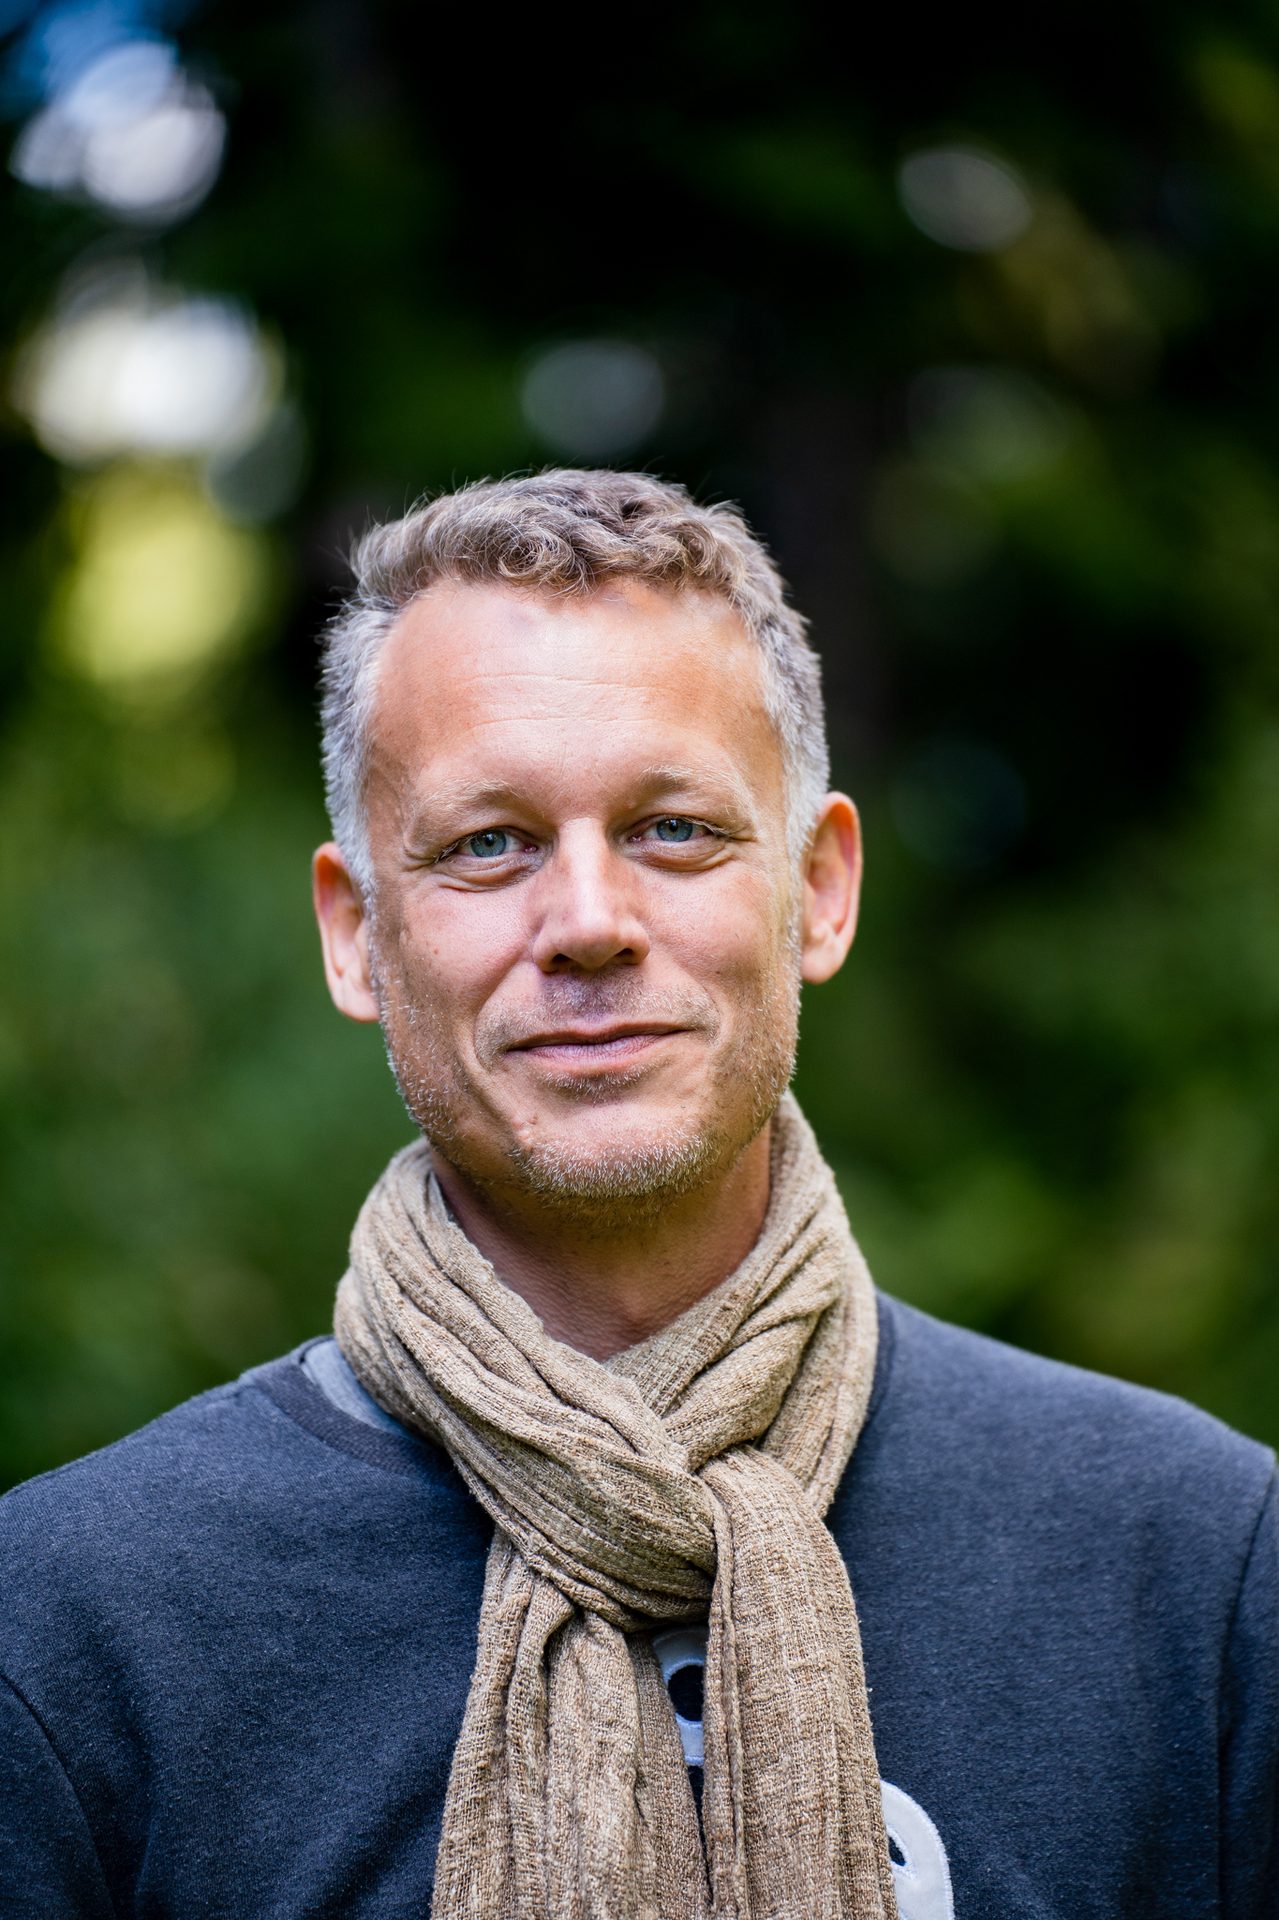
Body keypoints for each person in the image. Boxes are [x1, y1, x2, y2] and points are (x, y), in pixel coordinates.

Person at [0, 470, 1274, 1920]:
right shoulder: (73, 1628)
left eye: (673, 829)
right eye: (489, 844)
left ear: (822, 889)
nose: (591, 923)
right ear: (357, 939)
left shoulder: (1196, 1573)